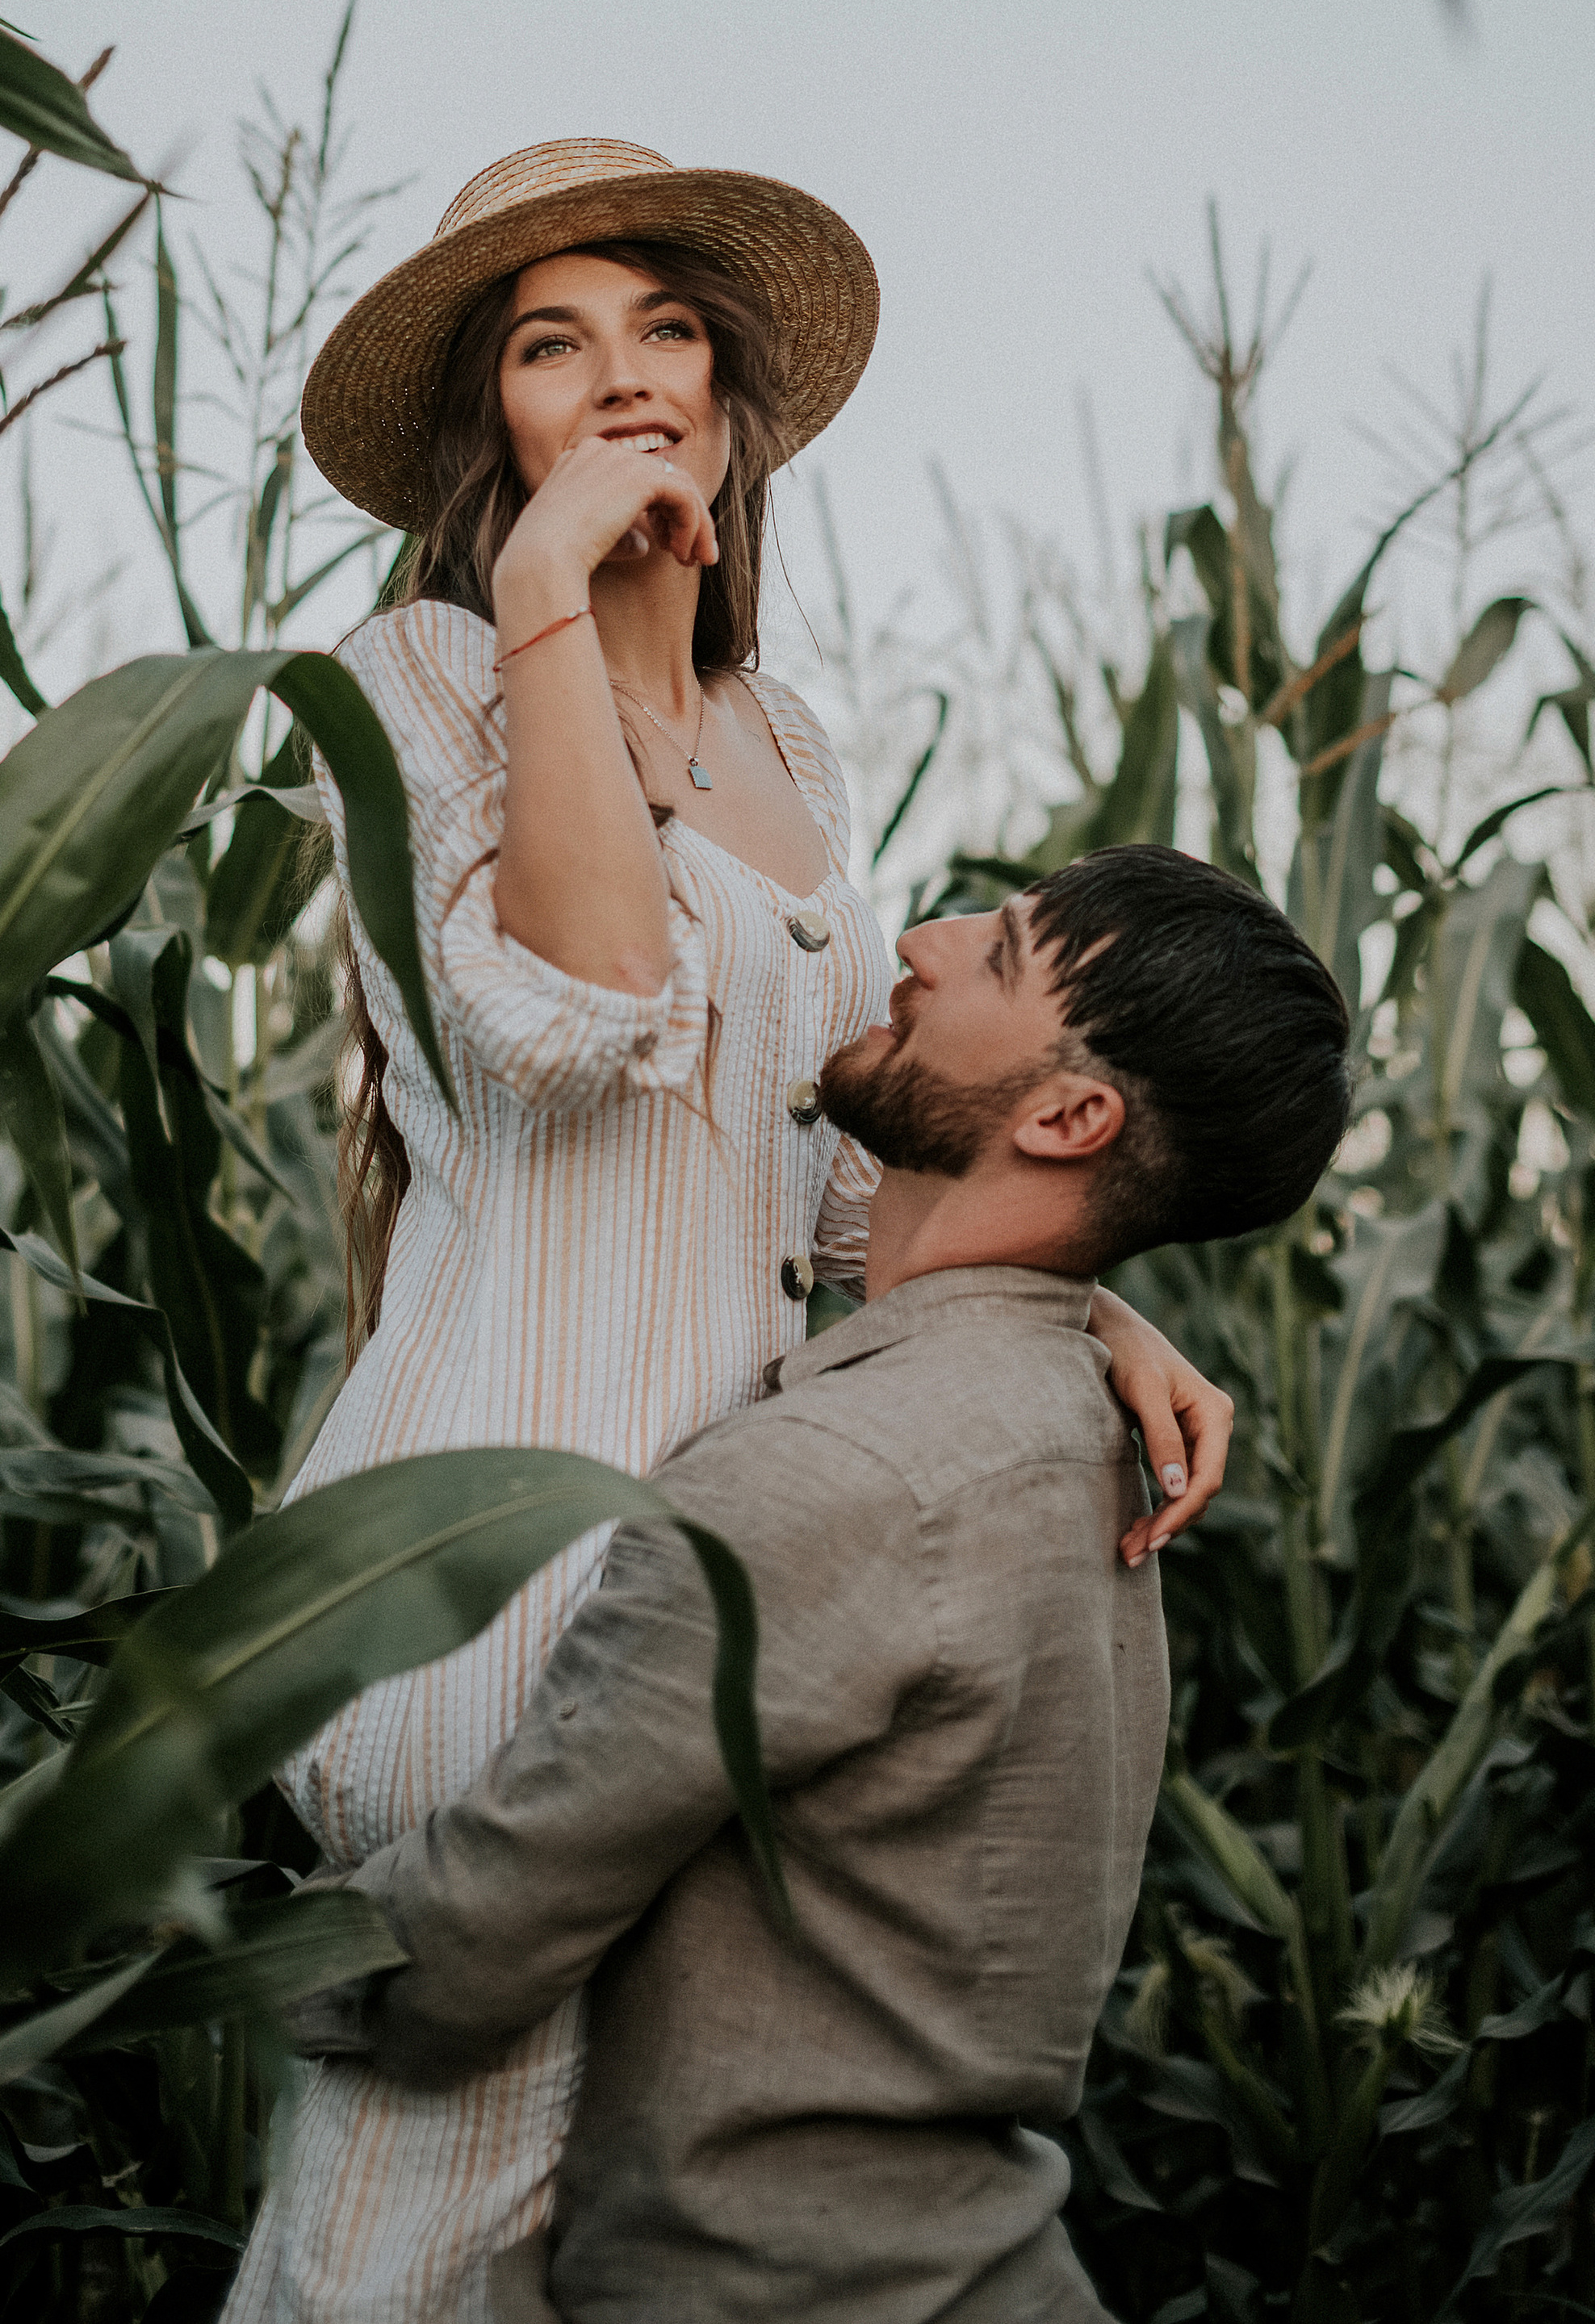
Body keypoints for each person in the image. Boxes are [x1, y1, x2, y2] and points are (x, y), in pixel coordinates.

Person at [231, 140, 1237, 2322]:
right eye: (550, 344)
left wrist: (1083, 1321)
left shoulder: (789, 736)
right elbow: (585, 1021)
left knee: (626, 2244)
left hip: (745, 1580)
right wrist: (546, 599)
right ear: (489, 424)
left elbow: (835, 1144)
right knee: (417, 2242)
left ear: (730, 395)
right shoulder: (415, 675)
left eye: (666, 328)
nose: (621, 379)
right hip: (495, 1557)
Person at [296, 846, 1354, 2322]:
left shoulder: (834, 1476)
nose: (918, 938)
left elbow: (464, 1951)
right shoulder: (1084, 1425)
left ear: (1069, 1115)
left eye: (999, 957)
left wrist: (114, 1954)